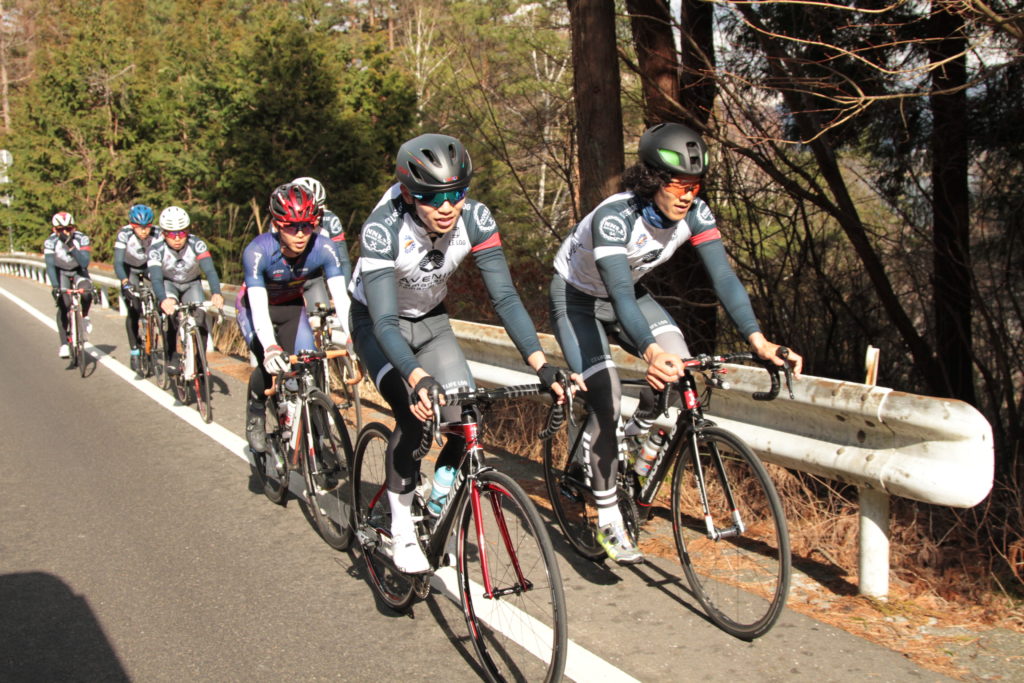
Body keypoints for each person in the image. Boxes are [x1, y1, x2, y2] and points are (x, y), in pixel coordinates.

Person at [549, 122, 804, 564]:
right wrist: (650, 352)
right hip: (579, 301)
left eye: (694, 185)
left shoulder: (696, 215)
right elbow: (620, 294)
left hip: (628, 297)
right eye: (677, 185)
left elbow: (723, 277)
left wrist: (759, 341)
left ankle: (633, 435)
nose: (687, 195)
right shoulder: (615, 217)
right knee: (607, 398)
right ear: (651, 181)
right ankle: (608, 514)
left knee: (681, 366)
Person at [349, 133, 570, 574]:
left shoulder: (476, 218)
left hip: (431, 320)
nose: (448, 207)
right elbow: (386, 323)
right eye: (434, 198)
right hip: (376, 325)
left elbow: (505, 298)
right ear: (410, 194)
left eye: (457, 194)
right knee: (414, 416)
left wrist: (542, 363)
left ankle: (437, 497)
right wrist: (415, 376)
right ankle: (402, 533)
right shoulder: (382, 228)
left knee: (464, 416)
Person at [237, 182, 350, 460]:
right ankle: (256, 410)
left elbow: (343, 299)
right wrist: (271, 348)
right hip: (255, 309)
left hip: (291, 309)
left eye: (307, 226)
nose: (300, 234)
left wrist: (353, 335)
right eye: (291, 226)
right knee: (268, 362)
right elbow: (259, 307)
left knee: (307, 364)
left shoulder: (324, 248)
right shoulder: (258, 251)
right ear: (276, 224)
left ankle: (316, 438)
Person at [146, 206, 224, 372]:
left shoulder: (197, 244)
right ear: (163, 233)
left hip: (191, 283)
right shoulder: (156, 249)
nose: (177, 239)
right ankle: (172, 354)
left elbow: (210, 270)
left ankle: (200, 360)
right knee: (171, 314)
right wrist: (163, 299)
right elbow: (156, 278)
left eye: (181, 233)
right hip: (169, 283)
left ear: (187, 231)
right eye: (171, 234)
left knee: (200, 317)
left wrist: (216, 292)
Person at [291, 176, 352, 320]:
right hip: (285, 280)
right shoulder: (282, 223)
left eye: (319, 209)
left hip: (313, 277)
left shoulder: (330, 221)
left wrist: (340, 296)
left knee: (322, 322)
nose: (316, 215)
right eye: (310, 210)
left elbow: (343, 262)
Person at [113, 204, 161, 372]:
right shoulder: (124, 234)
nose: (144, 232)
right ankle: (134, 350)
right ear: (132, 225)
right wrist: (125, 282)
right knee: (133, 309)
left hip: (148, 266)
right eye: (139, 228)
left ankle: (154, 320)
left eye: (147, 227)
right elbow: (118, 262)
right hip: (130, 269)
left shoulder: (157, 233)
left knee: (159, 290)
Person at [43, 211, 93, 358]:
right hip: (61, 272)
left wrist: (70, 245)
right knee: (63, 303)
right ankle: (64, 343)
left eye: (69, 229)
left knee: (87, 292)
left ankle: (84, 316)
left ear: (74, 228)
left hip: (79, 271)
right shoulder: (50, 242)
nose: (65, 232)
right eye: (60, 230)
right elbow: (50, 266)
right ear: (54, 230)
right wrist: (55, 286)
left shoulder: (81, 238)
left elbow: (84, 263)